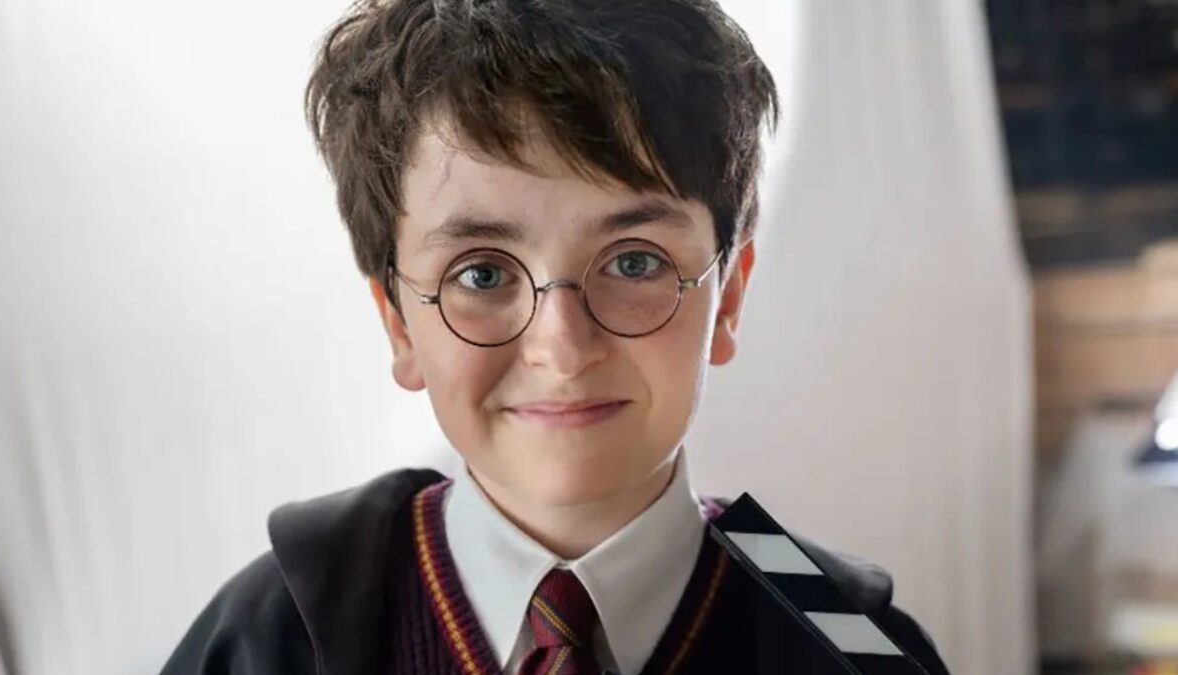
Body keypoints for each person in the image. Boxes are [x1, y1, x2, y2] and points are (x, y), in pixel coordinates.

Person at [162, 0, 950, 672]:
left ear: (729, 297)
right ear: (398, 320)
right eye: (482, 274)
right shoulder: (272, 636)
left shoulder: (850, 642)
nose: (563, 349)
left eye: (635, 261)